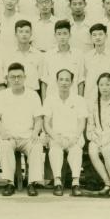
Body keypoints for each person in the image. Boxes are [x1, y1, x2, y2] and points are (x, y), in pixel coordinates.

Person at [0, 63, 45, 197]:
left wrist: (35, 132)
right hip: (8, 135)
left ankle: (32, 183)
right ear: (7, 78)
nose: (16, 80)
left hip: (28, 136)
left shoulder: (33, 95)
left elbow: (39, 119)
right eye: (13, 77)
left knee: (37, 146)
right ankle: (9, 183)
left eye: (19, 76)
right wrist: (3, 132)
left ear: (25, 77)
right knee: (4, 146)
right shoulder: (2, 95)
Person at [42, 69, 87, 197]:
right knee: (55, 150)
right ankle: (57, 182)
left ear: (72, 82)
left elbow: (82, 122)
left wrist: (75, 137)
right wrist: (55, 137)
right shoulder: (50, 99)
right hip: (56, 136)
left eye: (67, 80)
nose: (64, 82)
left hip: (74, 136)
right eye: (61, 79)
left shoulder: (79, 100)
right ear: (56, 81)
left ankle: (75, 183)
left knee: (76, 150)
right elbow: (46, 123)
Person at [86, 73, 110, 197]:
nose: (104, 87)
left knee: (106, 150)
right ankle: (107, 183)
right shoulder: (93, 104)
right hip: (98, 138)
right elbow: (90, 127)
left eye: (108, 84)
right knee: (92, 150)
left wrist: (109, 139)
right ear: (98, 86)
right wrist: (95, 138)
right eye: (101, 85)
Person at [42, 20, 84, 97]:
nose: (62, 37)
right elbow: (44, 82)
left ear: (70, 35)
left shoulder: (78, 54)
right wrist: (45, 102)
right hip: (52, 98)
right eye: (59, 34)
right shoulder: (48, 55)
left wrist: (80, 100)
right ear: (55, 35)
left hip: (73, 98)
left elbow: (80, 81)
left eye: (65, 33)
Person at [3, 20, 44, 99]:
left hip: (33, 94)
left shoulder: (38, 55)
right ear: (16, 34)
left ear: (31, 34)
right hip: (14, 94)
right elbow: (8, 79)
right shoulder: (9, 55)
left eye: (27, 31)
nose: (24, 34)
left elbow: (40, 79)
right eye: (21, 31)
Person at [81, 23, 110, 101]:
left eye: (100, 34)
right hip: (90, 97)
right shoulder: (86, 57)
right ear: (91, 38)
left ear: (106, 36)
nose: (97, 37)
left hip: (108, 98)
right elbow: (82, 79)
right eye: (94, 35)